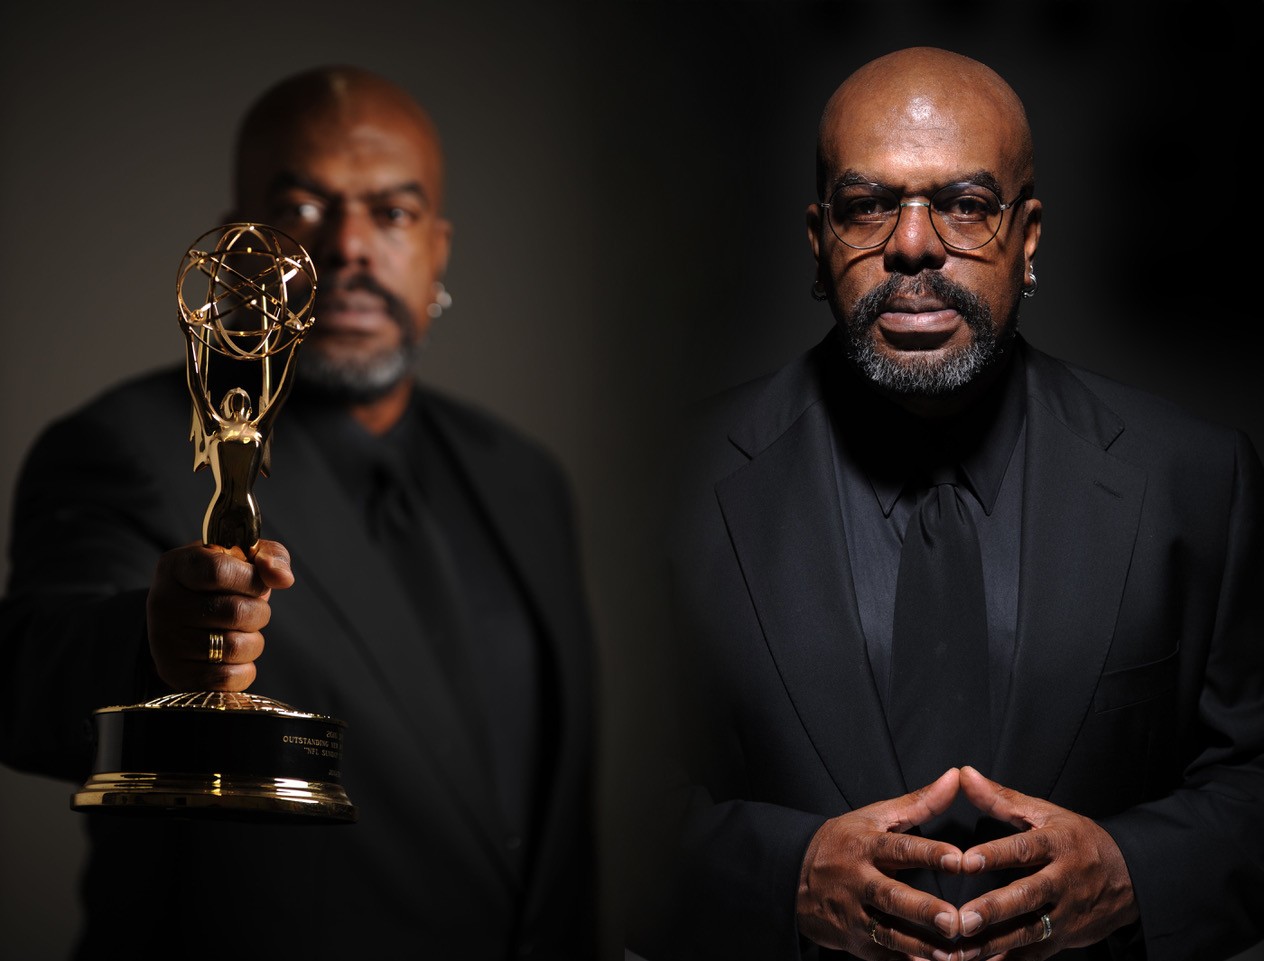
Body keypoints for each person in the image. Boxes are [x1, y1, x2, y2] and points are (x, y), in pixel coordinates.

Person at [628, 46, 1264, 961]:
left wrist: (1133, 869)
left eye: (965, 205)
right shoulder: (667, 488)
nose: (915, 243)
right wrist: (784, 878)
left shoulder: (1195, 480)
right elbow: (599, 797)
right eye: (868, 205)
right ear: (818, 240)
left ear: (1029, 237)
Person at [0, 65, 597, 959]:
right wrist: (151, 648)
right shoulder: (122, 445)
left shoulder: (525, 476)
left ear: (438, 248)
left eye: (392, 212)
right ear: (236, 244)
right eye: (302, 209)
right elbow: (28, 680)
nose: (350, 246)